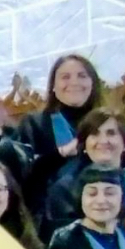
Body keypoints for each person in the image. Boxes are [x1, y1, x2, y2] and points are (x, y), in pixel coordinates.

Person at [39, 110, 125, 242]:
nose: (103, 141)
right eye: (94, 134)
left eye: (111, 134)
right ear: (84, 145)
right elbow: (65, 241)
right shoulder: (64, 189)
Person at [16, 54, 103, 202]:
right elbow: (22, 173)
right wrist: (60, 154)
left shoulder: (108, 123)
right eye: (65, 77)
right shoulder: (34, 123)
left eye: (82, 76)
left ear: (93, 83)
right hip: (52, 211)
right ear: (53, 87)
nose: (74, 82)